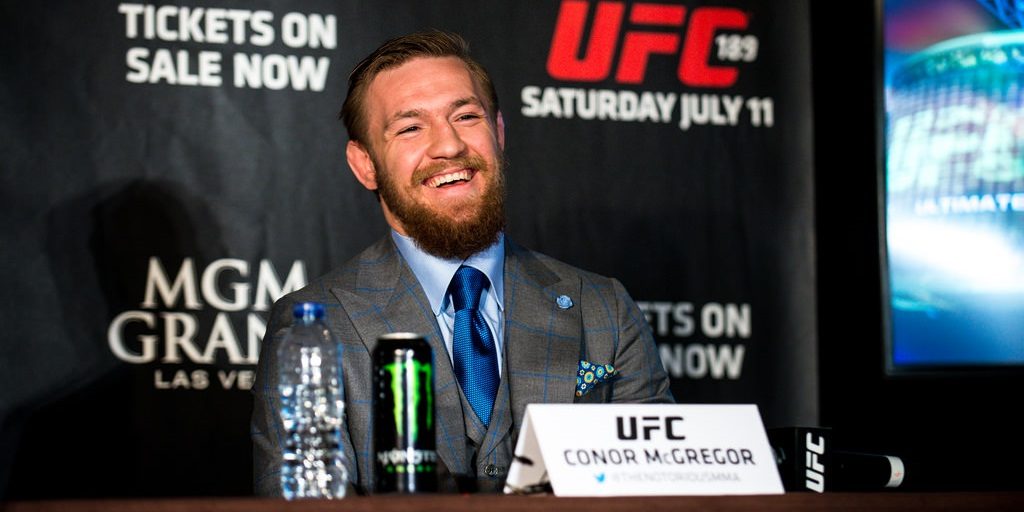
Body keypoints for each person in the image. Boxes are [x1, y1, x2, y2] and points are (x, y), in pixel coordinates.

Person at [251, 30, 673, 496]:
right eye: (410, 128)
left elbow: (657, 496)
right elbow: (306, 504)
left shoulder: (604, 309)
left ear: (498, 132)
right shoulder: (314, 327)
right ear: (365, 163)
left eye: (466, 116)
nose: (449, 146)